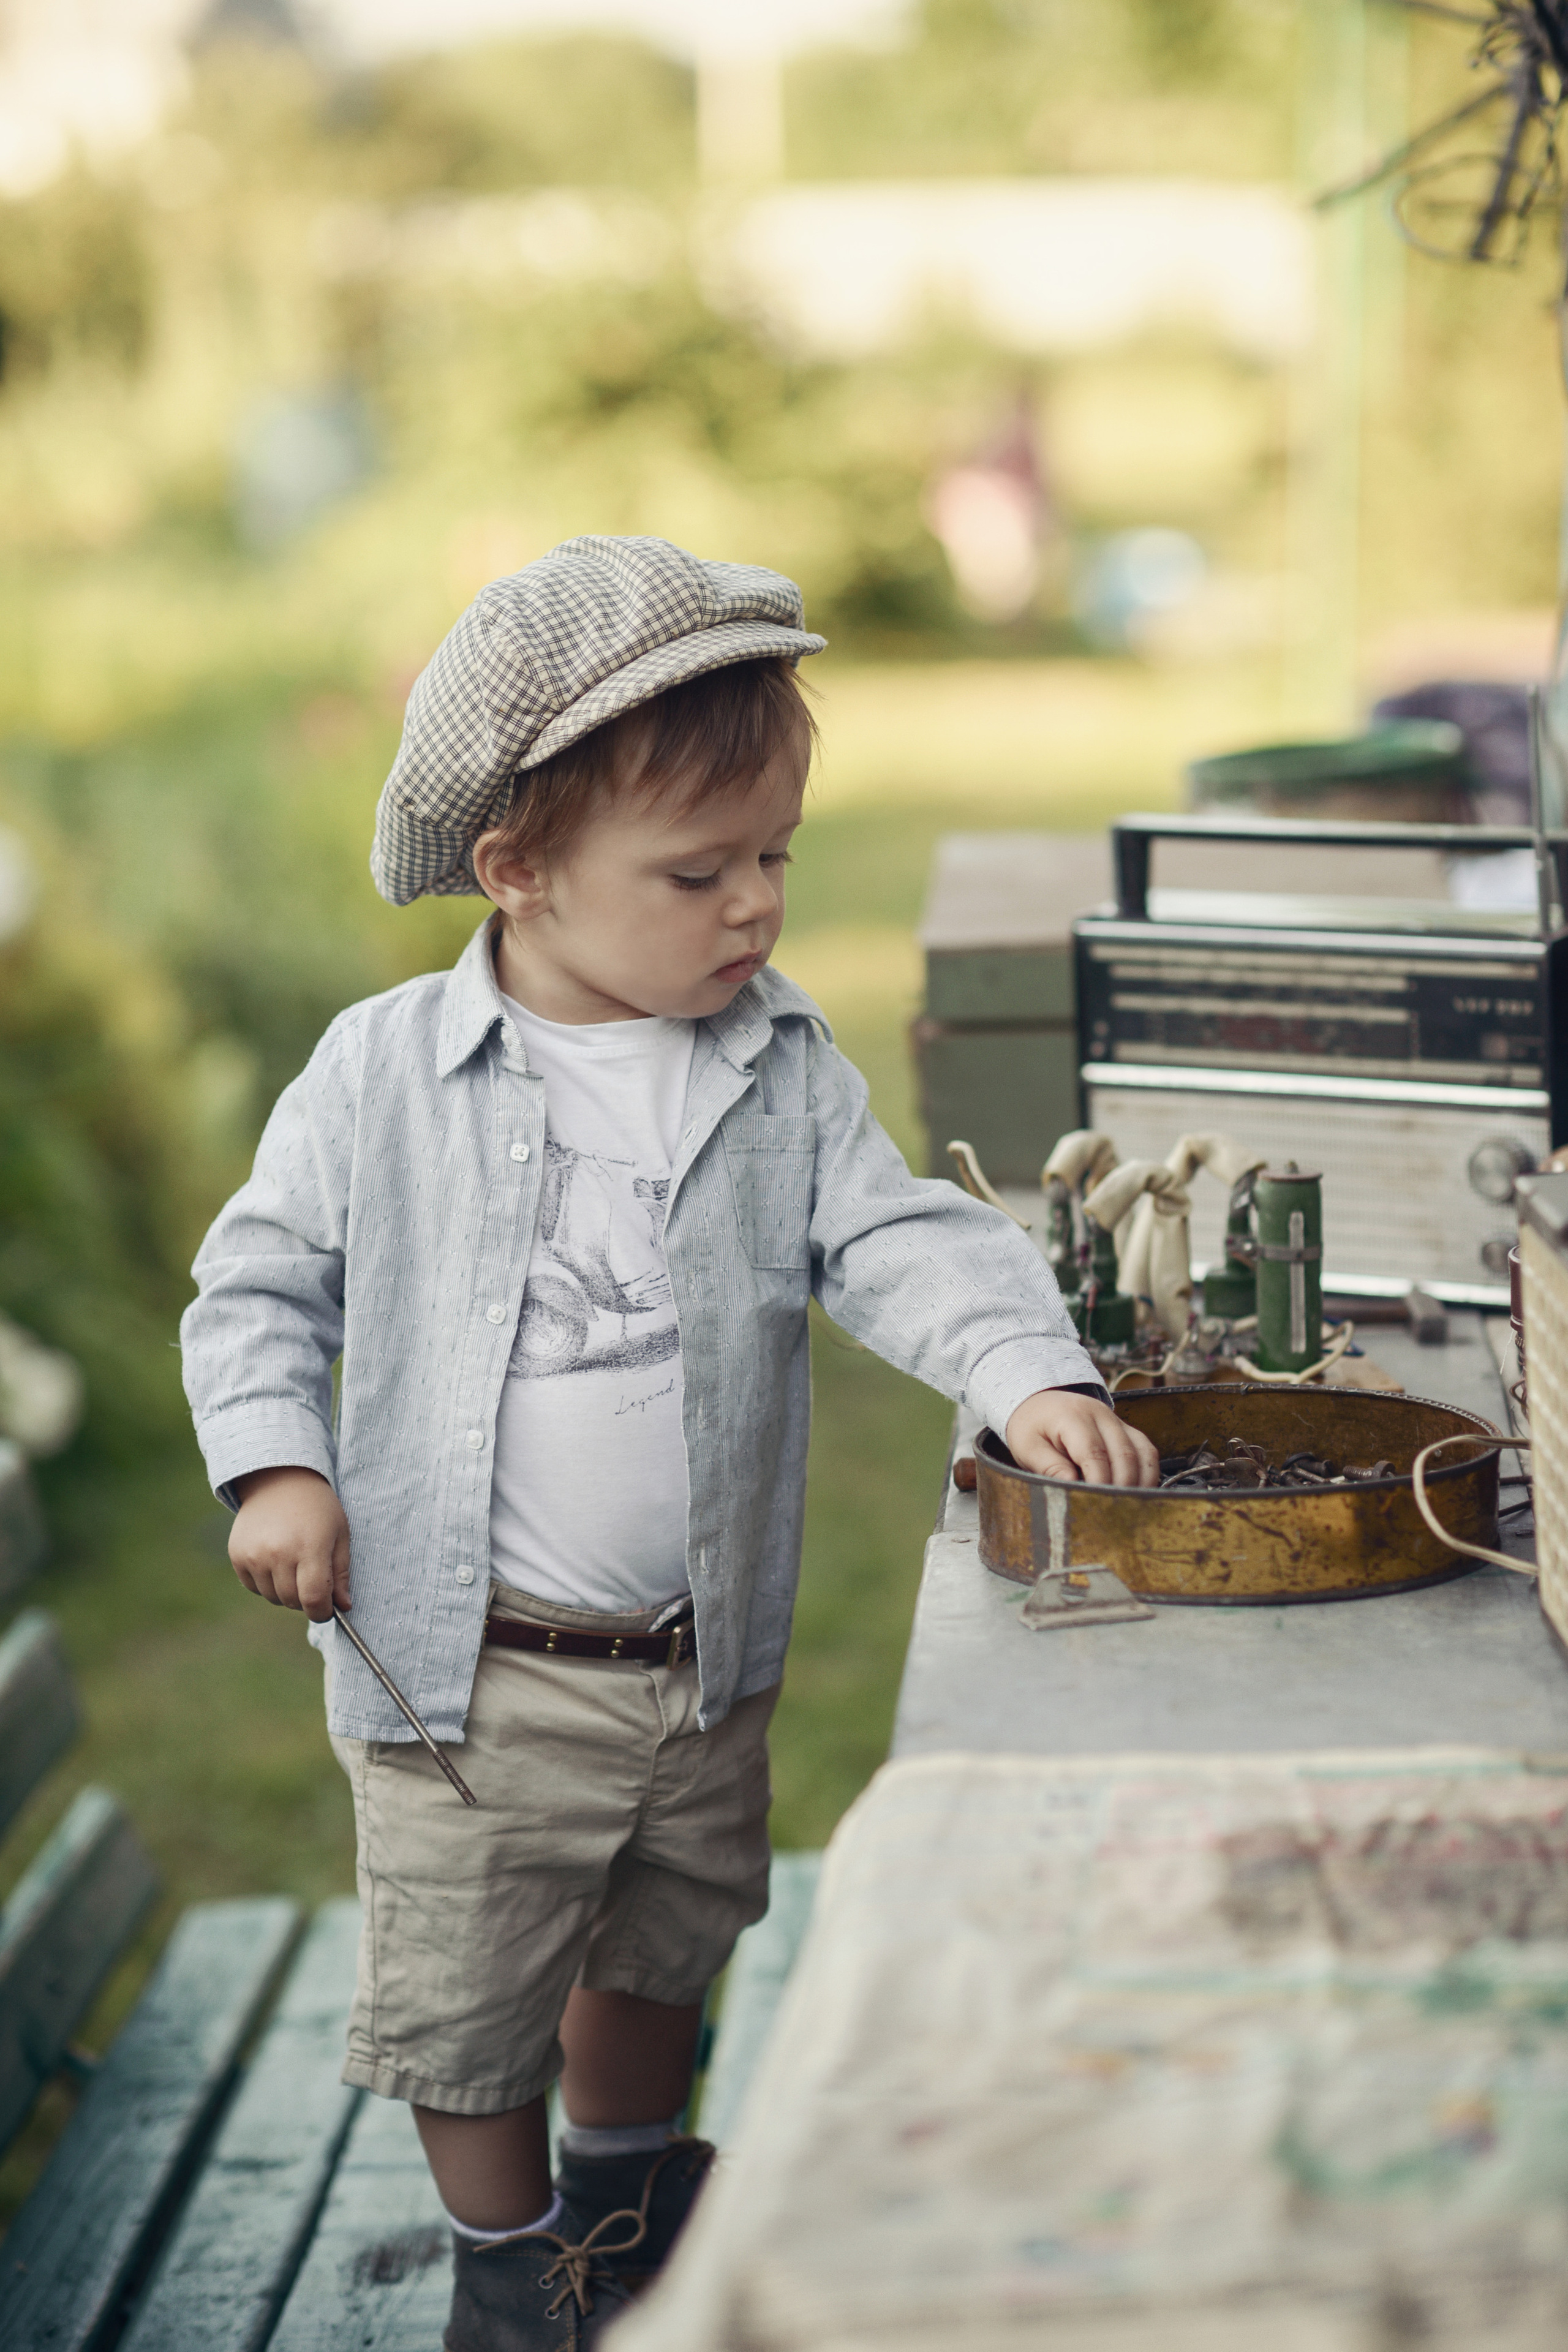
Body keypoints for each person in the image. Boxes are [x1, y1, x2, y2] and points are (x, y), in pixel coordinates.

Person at [181, 535, 1159, 2351]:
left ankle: (623, 2191)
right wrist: (276, 1465)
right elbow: (256, 1288)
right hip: (470, 1676)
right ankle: (509, 2259)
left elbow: (890, 1235)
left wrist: (1022, 1368)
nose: (759, 910)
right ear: (519, 871)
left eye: (776, 858)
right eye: (699, 872)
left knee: (661, 1948)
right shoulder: (381, 1074)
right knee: (472, 1992)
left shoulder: (776, 1063)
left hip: (697, 1661)